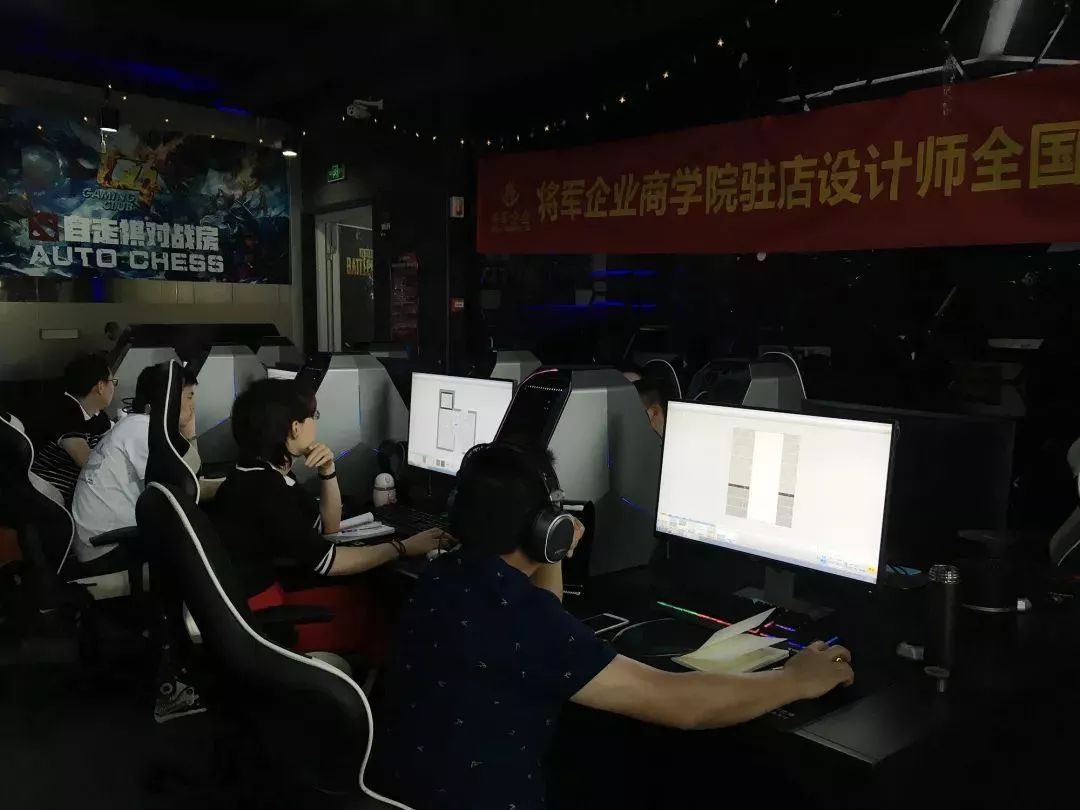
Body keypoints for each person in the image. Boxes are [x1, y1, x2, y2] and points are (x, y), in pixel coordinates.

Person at [371, 444, 854, 810]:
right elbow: (683, 705)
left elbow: (542, 615)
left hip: (399, 790)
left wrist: (551, 555)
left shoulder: (444, 575)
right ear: (545, 527)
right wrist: (795, 679)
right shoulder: (524, 621)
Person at [211, 379, 443, 654]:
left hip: (260, 602)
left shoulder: (262, 473)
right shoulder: (265, 490)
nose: (316, 423)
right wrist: (402, 547)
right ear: (296, 428)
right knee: (391, 615)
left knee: (371, 594)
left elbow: (329, 527)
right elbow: (329, 562)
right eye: (314, 416)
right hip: (264, 624)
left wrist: (328, 470)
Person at [71, 362, 220, 570]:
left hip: (99, 542)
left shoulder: (136, 424)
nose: (193, 404)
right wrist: (233, 484)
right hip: (107, 548)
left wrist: (189, 430)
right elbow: (189, 490)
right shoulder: (141, 431)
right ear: (168, 400)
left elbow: (191, 474)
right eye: (189, 396)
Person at [30, 353, 115, 505]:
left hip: (73, 494)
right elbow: (87, 462)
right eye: (113, 382)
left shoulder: (98, 416)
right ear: (101, 386)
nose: (114, 388)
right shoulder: (65, 410)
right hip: (45, 497)